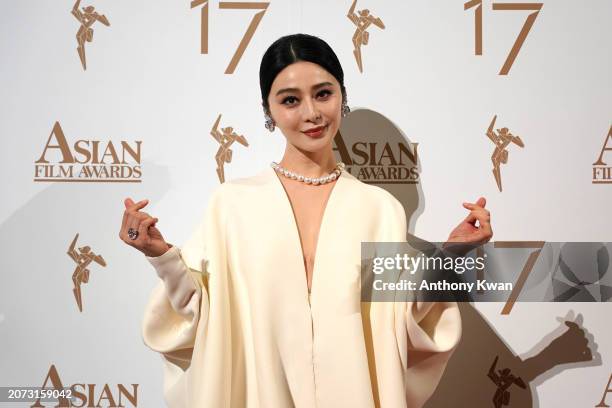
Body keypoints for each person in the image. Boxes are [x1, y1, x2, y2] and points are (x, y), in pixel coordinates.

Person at [118, 33, 493, 408]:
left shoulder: (378, 209)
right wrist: (162, 255)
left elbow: (400, 321)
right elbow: (200, 314)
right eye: (291, 100)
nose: (312, 113)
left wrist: (451, 252)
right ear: (269, 110)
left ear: (342, 96)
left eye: (323, 93)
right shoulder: (232, 205)